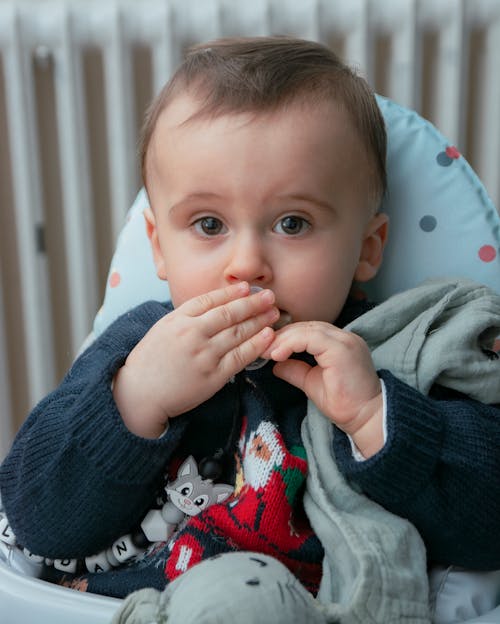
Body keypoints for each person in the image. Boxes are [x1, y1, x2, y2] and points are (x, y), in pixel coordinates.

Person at [1, 37, 500, 615]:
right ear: (159, 250)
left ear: (367, 250)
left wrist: (375, 420)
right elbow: (35, 521)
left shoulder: (394, 358)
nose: (246, 265)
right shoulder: (135, 351)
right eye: (209, 223)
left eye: (292, 222)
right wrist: (134, 399)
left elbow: (489, 526)